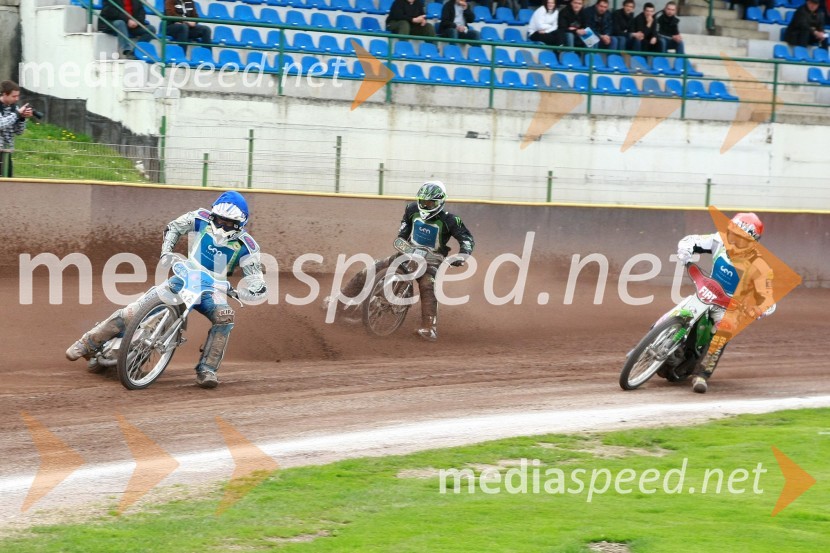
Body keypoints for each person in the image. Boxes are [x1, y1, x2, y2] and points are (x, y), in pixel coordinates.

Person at [66, 191, 267, 389]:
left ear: (240, 224)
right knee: (136, 309)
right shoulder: (199, 218)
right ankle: (88, 343)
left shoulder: (247, 246)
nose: (222, 225)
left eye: (228, 223)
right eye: (219, 220)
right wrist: (166, 252)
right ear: (213, 214)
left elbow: (256, 277)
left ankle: (207, 369)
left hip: (213, 289)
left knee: (225, 317)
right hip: (184, 277)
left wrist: (250, 291)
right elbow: (173, 228)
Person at [323, 181, 475, 342]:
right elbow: (402, 232)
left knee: (427, 285)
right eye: (423, 201)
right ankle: (338, 303)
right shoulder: (411, 210)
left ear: (441, 202)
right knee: (370, 269)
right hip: (408, 252)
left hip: (432, 260)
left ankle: (429, 328)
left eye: (431, 202)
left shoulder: (451, 220)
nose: (426, 205)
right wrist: (403, 242)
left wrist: (463, 255)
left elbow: (467, 238)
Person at [676, 213, 775, 394]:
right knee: (682, 308)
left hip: (727, 307)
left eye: (740, 238)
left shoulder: (760, 267)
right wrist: (685, 251)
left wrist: (758, 310)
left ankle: (702, 375)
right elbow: (691, 240)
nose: (734, 240)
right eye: (733, 234)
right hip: (706, 292)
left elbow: (769, 300)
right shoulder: (719, 240)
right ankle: (651, 338)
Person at [0, 80, 33, 178]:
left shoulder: (15, 108)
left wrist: (22, 118)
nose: (17, 99)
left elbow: (19, 132)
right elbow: (1, 124)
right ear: (5, 94)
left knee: (8, 183)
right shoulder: (16, 111)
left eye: (18, 96)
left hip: (6, 151)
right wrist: (17, 114)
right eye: (14, 96)